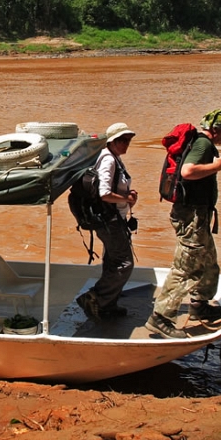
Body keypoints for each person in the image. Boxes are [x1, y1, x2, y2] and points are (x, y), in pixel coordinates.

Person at [147, 109, 221, 338]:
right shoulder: (203, 145)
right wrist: (217, 167)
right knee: (186, 266)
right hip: (191, 216)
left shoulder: (201, 143)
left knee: (209, 260)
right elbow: (187, 171)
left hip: (198, 216)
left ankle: (199, 304)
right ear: (216, 130)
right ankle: (161, 317)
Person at [78, 122, 139, 319]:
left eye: (128, 140)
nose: (126, 144)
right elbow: (104, 193)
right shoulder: (109, 160)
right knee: (124, 263)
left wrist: (127, 195)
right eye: (123, 140)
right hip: (109, 220)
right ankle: (95, 297)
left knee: (112, 261)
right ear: (112, 141)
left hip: (110, 218)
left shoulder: (113, 157)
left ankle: (107, 305)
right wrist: (126, 199)